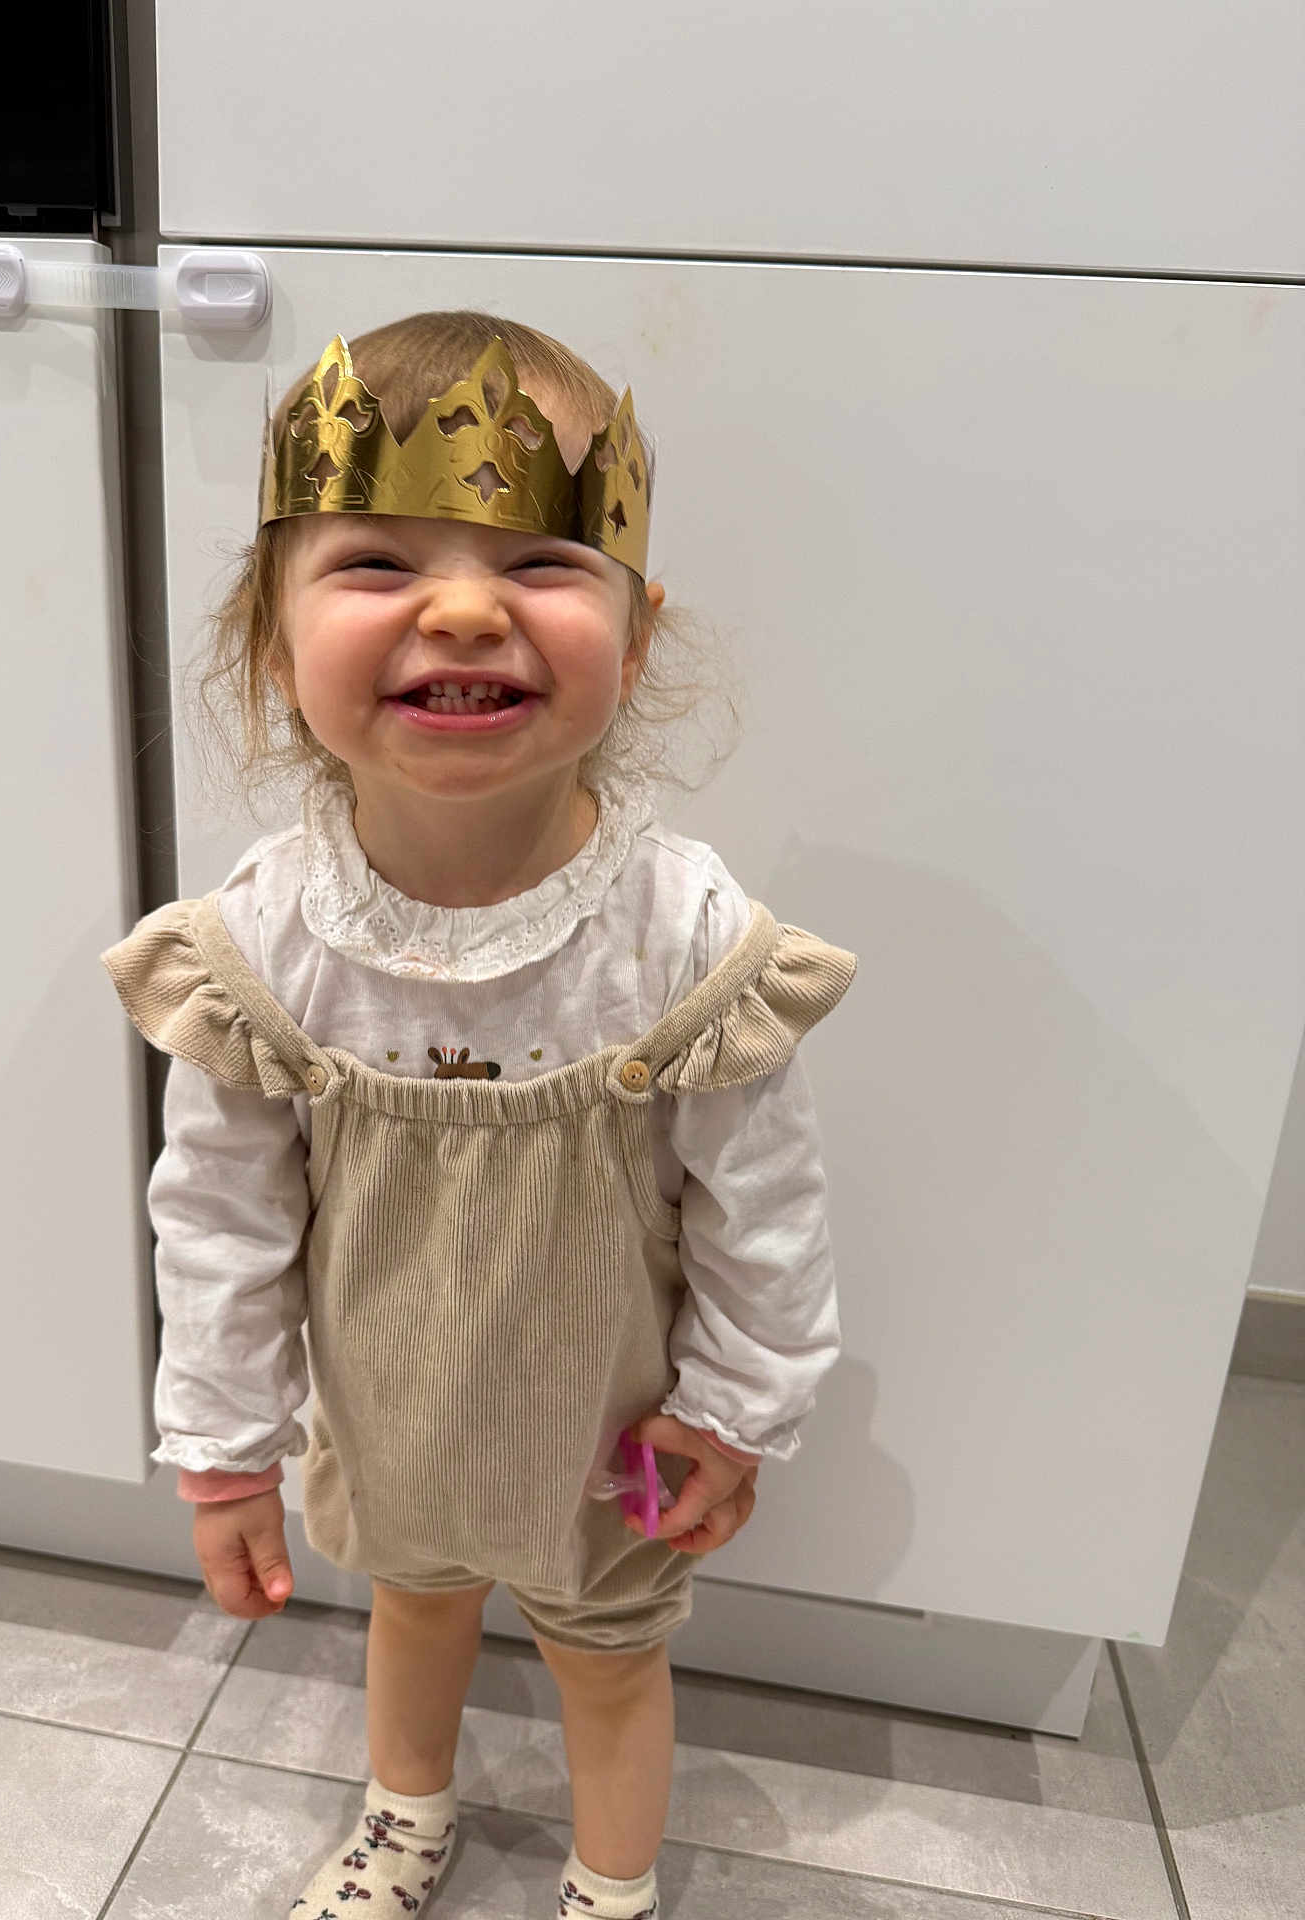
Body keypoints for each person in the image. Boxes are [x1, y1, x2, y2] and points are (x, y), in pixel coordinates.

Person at [101, 309, 857, 1919]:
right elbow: (219, 1214)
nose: (462, 607)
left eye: (540, 565)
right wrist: (226, 1454)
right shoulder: (263, 942)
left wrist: (734, 1410)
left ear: (636, 639)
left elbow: (763, 1204)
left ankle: (613, 1884)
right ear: (269, 638)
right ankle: (404, 1815)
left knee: (613, 1656)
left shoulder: (687, 933)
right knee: (414, 1602)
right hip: (392, 1411)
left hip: (627, 1435)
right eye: (376, 562)